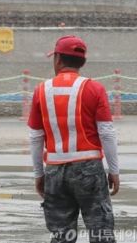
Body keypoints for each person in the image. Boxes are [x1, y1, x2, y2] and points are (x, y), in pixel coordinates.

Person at [28, 35, 119, 243]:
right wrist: (114, 170)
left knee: (61, 236)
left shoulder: (40, 91)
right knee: (101, 233)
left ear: (58, 59)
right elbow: (106, 132)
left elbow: (35, 136)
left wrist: (39, 173)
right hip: (89, 169)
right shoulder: (95, 89)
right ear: (83, 61)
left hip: (54, 170)